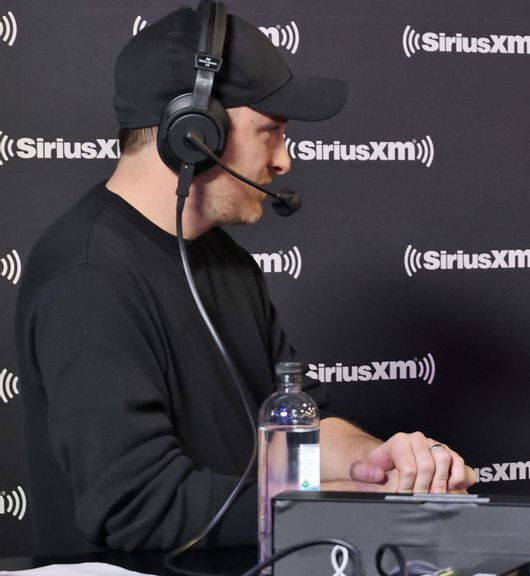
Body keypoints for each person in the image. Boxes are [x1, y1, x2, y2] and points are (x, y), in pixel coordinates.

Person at [14, 4, 472, 555]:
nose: (284, 160)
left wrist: (373, 465)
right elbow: (138, 504)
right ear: (192, 133)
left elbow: (297, 426)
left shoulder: (226, 260)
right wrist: (349, 506)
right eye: (271, 131)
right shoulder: (86, 279)